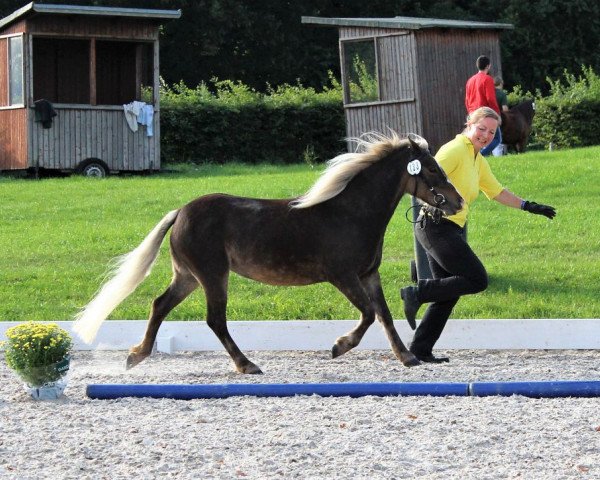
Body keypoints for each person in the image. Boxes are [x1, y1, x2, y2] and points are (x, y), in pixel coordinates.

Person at [400, 107, 556, 363]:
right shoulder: (455, 150)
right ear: (468, 125)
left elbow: (496, 191)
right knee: (477, 279)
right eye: (481, 128)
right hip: (435, 225)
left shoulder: (477, 158)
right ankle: (417, 292)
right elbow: (422, 176)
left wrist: (529, 206)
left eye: (491, 132)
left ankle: (419, 349)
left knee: (448, 294)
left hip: (452, 228)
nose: (485, 135)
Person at [465, 55, 501, 156]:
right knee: (497, 138)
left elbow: (467, 100)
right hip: (484, 113)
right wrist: (497, 115)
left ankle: (473, 155)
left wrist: (470, 115)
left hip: (472, 114)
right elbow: (490, 98)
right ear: (488, 66)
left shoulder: (470, 80)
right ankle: (480, 155)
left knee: (473, 138)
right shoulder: (487, 79)